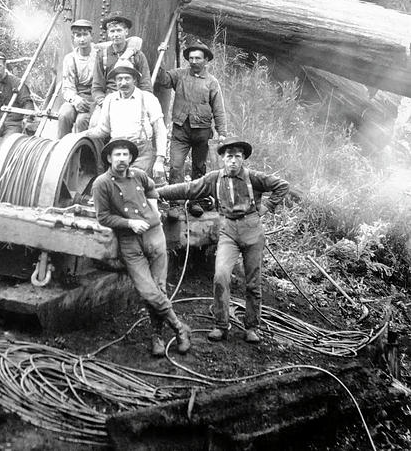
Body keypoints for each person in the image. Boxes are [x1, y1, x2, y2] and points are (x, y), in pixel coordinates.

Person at [156, 137, 289, 344]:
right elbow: (189, 188)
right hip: (228, 232)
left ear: (243, 158)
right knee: (221, 276)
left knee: (253, 281)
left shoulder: (254, 178)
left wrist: (267, 207)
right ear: (223, 159)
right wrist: (157, 192)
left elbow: (282, 185)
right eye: (229, 157)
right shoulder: (214, 179)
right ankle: (220, 325)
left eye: (237, 156)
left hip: (252, 231)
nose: (233, 161)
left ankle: (252, 327)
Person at [93, 138, 191, 357]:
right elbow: (103, 217)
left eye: (125, 155)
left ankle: (156, 336)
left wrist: (154, 211)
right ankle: (179, 328)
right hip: (129, 241)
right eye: (117, 155)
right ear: (109, 158)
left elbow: (151, 190)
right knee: (148, 291)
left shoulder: (138, 175)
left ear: (130, 158)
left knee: (159, 287)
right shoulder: (102, 183)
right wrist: (129, 223)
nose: (121, 159)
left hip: (154, 235)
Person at [156, 41, 227, 184]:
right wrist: (161, 57)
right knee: (175, 166)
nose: (194, 61)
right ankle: (175, 201)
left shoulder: (212, 82)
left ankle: (197, 202)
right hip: (180, 130)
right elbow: (164, 80)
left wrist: (222, 132)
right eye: (191, 58)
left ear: (206, 60)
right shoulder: (179, 75)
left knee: (199, 168)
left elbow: (219, 109)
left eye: (198, 58)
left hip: (202, 131)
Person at [86, 60, 168, 183]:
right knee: (111, 188)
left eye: (127, 78)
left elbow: (160, 129)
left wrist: (160, 160)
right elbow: (103, 130)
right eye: (119, 79)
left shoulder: (147, 98)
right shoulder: (110, 100)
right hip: (117, 151)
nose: (123, 83)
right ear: (115, 81)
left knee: (134, 186)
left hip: (141, 153)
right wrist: (83, 134)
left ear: (134, 79)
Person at [91, 12, 152, 121]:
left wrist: (140, 103)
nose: (116, 34)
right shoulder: (102, 55)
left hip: (132, 100)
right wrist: (103, 102)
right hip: (108, 101)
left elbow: (145, 85)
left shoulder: (137, 55)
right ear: (108, 34)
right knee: (95, 123)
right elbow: (97, 87)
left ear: (126, 32)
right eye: (112, 31)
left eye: (119, 30)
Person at [57, 19, 97, 137]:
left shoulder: (99, 54)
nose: (82, 39)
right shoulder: (70, 59)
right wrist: (75, 100)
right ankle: (62, 147)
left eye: (85, 34)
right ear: (73, 38)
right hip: (77, 96)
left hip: (93, 98)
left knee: (82, 121)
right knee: (64, 114)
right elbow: (67, 87)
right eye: (78, 35)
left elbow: (135, 41)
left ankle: (82, 152)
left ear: (91, 36)